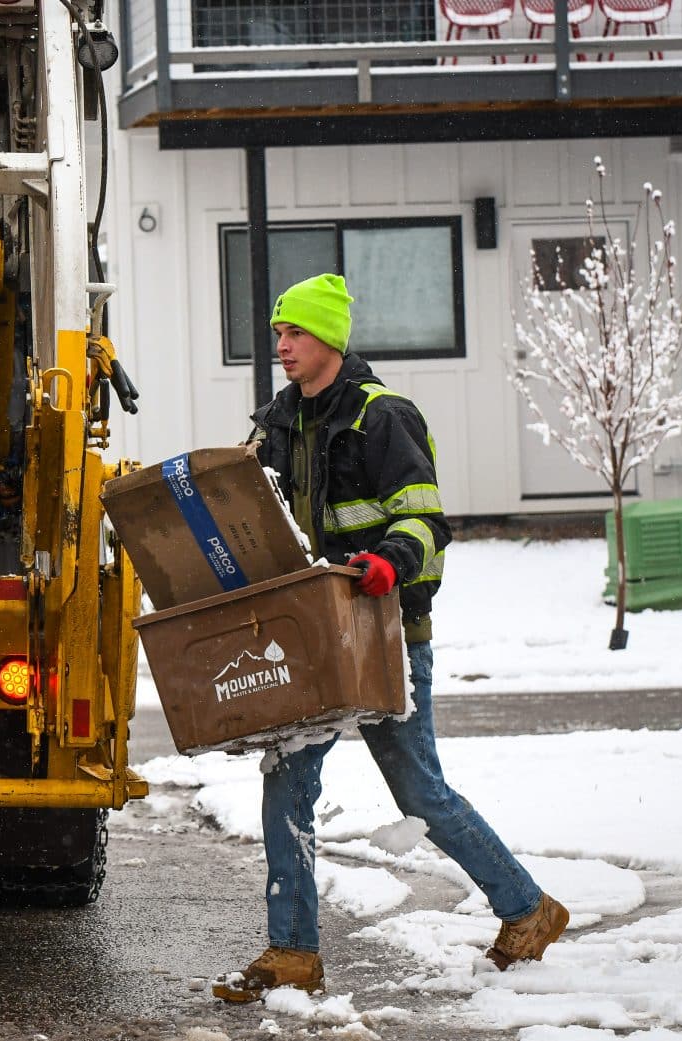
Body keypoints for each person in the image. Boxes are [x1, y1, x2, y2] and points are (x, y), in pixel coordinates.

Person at [213, 273, 569, 1003]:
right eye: (278, 333)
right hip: (308, 639)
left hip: (386, 636)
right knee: (286, 783)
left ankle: (529, 909)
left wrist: (389, 562)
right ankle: (293, 952)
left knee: (420, 792)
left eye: (295, 333)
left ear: (330, 341)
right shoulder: (274, 424)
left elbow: (426, 522)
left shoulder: (385, 418)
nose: (281, 346)